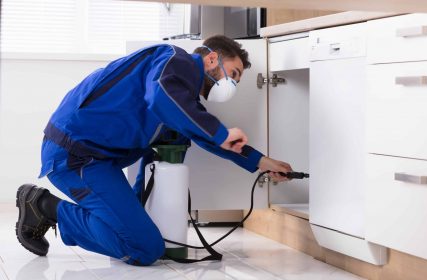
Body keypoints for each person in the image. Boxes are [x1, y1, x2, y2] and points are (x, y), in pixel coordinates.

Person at [15, 35, 293, 266]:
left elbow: (209, 138)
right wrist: (220, 133)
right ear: (211, 59)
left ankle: (134, 215)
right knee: (144, 248)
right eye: (233, 74)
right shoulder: (175, 60)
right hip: (73, 156)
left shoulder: (180, 99)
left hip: (98, 159)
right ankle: (44, 206)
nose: (231, 85)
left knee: (176, 137)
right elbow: (162, 93)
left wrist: (263, 162)